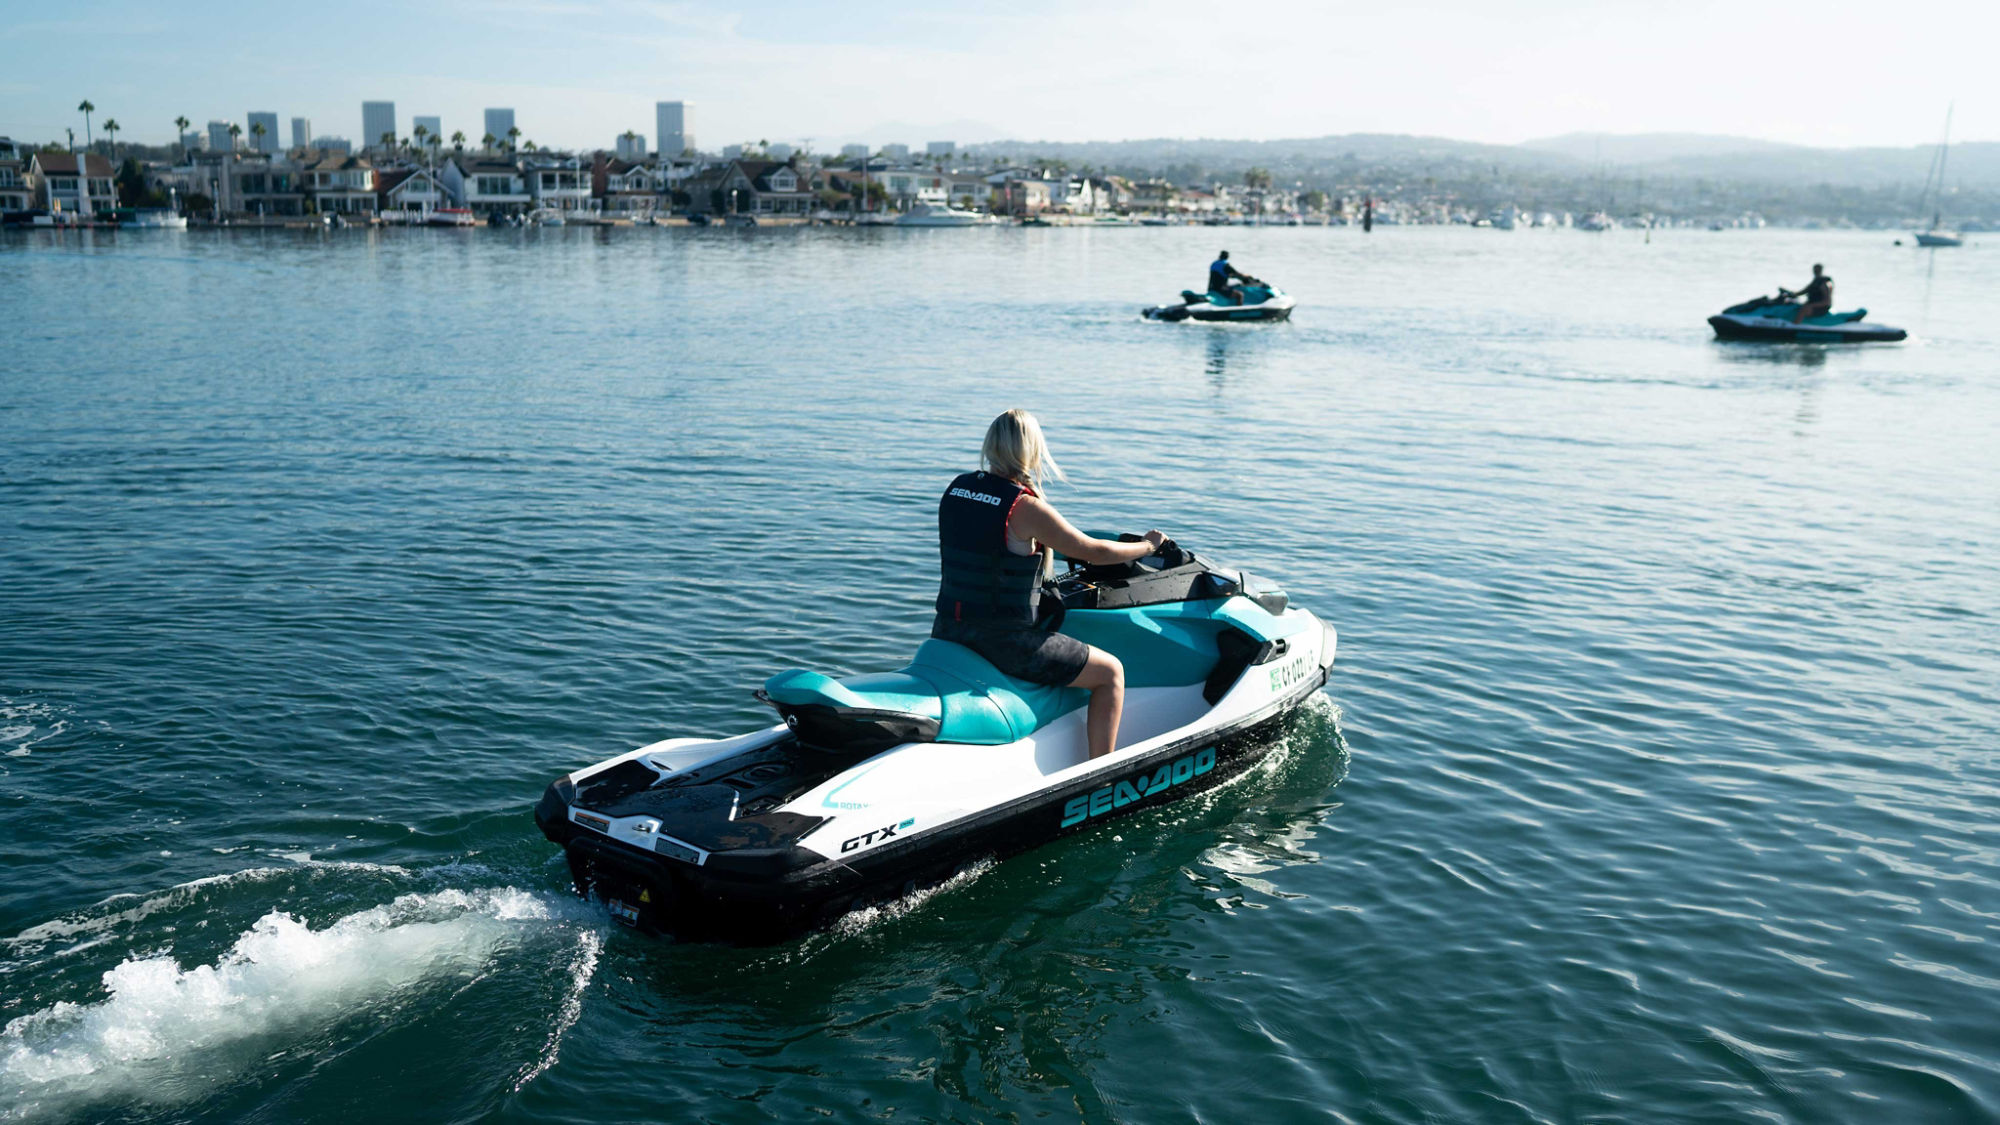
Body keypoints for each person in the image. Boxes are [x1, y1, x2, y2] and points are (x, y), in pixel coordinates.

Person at [933, 409, 1166, 759]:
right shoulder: (1022, 507)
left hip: (949, 628)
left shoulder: (957, 490)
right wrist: (1148, 546)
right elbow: (1094, 551)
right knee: (1111, 672)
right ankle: (1098, 775)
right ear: (1030, 450)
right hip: (1004, 642)